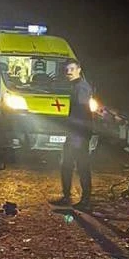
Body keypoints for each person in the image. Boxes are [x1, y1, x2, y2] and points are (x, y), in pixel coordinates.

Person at [51, 59, 93, 209]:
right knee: (67, 165)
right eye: (67, 69)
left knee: (81, 166)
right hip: (76, 133)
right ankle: (68, 197)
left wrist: (77, 135)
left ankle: (85, 201)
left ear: (79, 69)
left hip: (79, 134)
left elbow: (82, 113)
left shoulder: (81, 88)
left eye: (72, 69)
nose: (68, 72)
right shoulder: (77, 86)